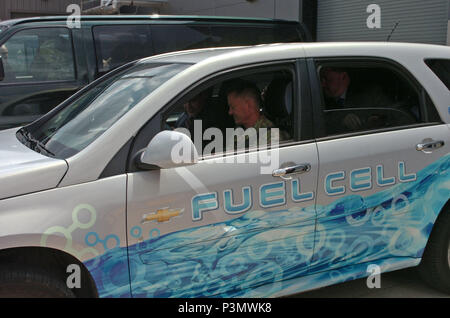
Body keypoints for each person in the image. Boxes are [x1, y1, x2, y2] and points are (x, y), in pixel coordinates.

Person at [320, 66, 395, 131]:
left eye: (327, 79)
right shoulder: (319, 97)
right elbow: (319, 122)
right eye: (321, 79)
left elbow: (393, 115)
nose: (322, 84)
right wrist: (342, 120)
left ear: (343, 77)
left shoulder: (369, 94)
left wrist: (375, 119)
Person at [226, 80, 290, 149]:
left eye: (233, 107)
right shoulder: (239, 130)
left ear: (248, 105)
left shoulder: (271, 137)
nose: (230, 112)